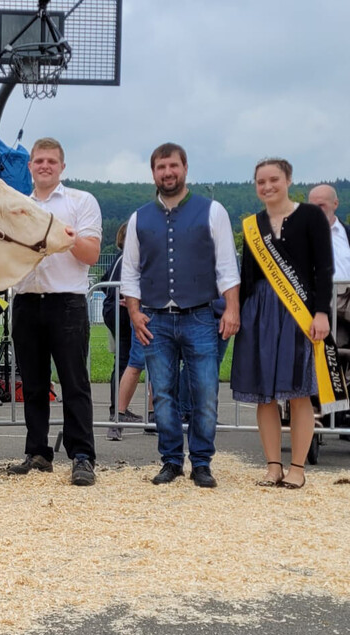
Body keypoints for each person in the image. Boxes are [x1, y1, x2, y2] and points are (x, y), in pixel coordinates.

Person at [121, 143, 240, 488]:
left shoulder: (212, 211)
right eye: (161, 167)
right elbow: (130, 272)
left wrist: (231, 308)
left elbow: (227, 267)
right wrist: (133, 311)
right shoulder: (139, 218)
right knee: (163, 394)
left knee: (204, 392)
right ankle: (171, 460)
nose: (167, 173)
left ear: (185, 168)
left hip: (200, 316)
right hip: (155, 318)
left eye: (173, 166)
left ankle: (201, 462)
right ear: (153, 172)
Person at [231, 158, 335, 489]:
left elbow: (324, 268)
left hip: (298, 313)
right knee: (264, 395)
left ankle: (298, 468)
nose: (267, 186)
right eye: (260, 181)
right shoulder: (252, 225)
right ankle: (272, 466)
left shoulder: (310, 217)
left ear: (288, 179)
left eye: (274, 179)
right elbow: (247, 276)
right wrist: (238, 313)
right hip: (259, 314)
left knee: (299, 393)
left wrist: (321, 312)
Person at [8, 137, 102, 486]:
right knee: (33, 385)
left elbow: (92, 254)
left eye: (51, 161)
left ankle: (82, 456)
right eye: (38, 161)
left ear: (62, 167)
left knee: (75, 383)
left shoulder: (81, 201)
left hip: (67, 302)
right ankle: (37, 452)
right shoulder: (18, 204)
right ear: (30, 166)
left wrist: (63, 235)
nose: (44, 166)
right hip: (28, 301)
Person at [99, 222, 145, 440]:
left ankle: (118, 410)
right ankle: (117, 412)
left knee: (125, 359)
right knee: (126, 360)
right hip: (120, 310)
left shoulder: (121, 258)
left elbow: (103, 280)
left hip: (114, 308)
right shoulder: (128, 258)